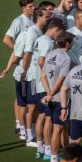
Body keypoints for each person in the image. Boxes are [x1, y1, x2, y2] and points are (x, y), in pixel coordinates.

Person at [32, 19, 64, 160]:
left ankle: (40, 148)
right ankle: (47, 150)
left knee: (41, 116)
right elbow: (41, 61)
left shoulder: (39, 39)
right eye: (60, 33)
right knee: (49, 118)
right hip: (46, 86)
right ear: (55, 29)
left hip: (38, 84)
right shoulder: (47, 42)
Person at [41, 31, 74, 162]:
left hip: (50, 98)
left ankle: (56, 156)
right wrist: (52, 94)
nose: (72, 44)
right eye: (71, 42)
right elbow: (60, 81)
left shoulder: (50, 55)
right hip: (60, 99)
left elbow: (42, 76)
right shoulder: (66, 58)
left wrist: (48, 92)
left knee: (59, 128)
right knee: (58, 129)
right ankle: (54, 159)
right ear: (67, 44)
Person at [2, 0, 35, 134]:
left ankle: (21, 125)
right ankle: (20, 125)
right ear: (23, 8)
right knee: (22, 97)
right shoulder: (19, 21)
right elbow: (6, 39)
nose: (33, 8)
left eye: (33, 6)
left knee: (23, 96)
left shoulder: (32, 19)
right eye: (30, 6)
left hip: (30, 64)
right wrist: (19, 52)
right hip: (23, 64)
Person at [22, 8, 51, 147]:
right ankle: (29, 137)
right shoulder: (33, 32)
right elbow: (27, 53)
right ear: (38, 17)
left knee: (36, 107)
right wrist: (24, 71)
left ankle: (33, 134)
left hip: (36, 73)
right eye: (46, 16)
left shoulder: (39, 31)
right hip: (33, 74)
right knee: (32, 106)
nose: (48, 18)